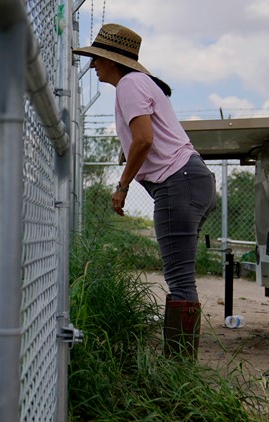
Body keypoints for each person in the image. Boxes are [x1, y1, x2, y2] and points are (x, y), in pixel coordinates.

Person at [73, 24, 217, 358]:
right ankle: (178, 361)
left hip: (177, 181)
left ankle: (179, 369)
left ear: (112, 60)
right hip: (190, 179)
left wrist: (121, 186)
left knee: (180, 279)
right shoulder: (139, 83)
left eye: (96, 58)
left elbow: (143, 140)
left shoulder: (129, 84)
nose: (92, 64)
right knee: (180, 275)